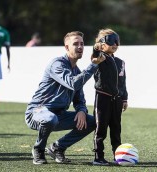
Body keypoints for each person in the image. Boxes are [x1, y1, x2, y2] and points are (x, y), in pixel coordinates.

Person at [25, 31, 105, 165]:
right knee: (50, 118)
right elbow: (73, 83)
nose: (80, 47)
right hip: (37, 112)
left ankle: (58, 147)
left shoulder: (78, 71)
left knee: (92, 122)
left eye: (82, 44)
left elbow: (79, 99)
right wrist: (94, 64)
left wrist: (81, 111)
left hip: (58, 115)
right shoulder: (57, 64)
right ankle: (38, 149)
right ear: (67, 47)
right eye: (75, 44)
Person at [91, 28, 128, 165]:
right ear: (101, 42)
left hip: (117, 100)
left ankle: (117, 156)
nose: (115, 44)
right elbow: (94, 55)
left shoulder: (120, 62)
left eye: (117, 41)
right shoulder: (100, 58)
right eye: (111, 40)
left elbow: (123, 82)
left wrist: (124, 98)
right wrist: (96, 47)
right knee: (100, 129)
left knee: (116, 129)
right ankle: (98, 157)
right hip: (102, 98)